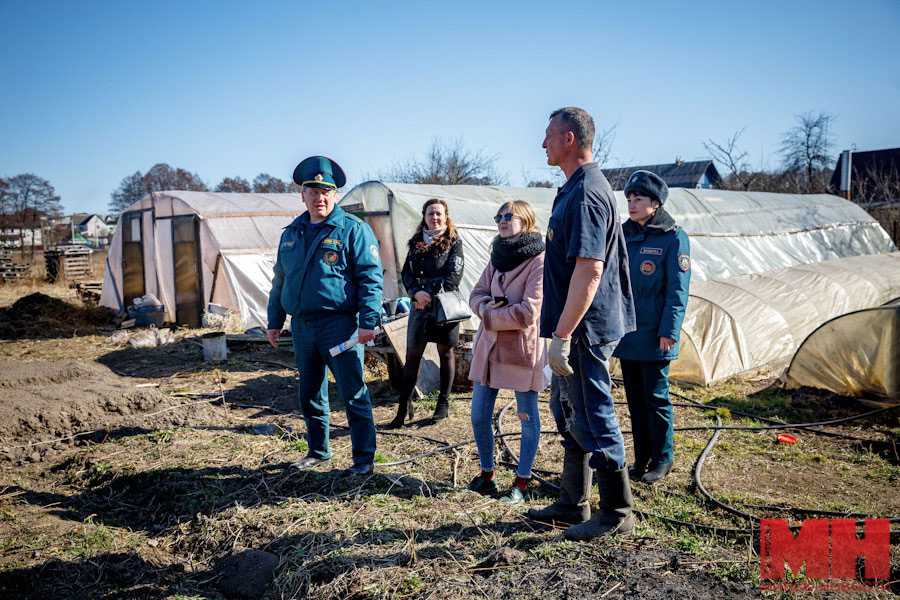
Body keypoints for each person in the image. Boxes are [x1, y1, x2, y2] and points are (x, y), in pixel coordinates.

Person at [526, 107, 637, 540]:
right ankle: (574, 502)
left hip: (584, 330)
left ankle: (616, 512)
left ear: (569, 138)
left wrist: (564, 336)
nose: (543, 143)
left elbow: (589, 271)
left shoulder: (589, 192)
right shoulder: (573, 188)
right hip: (572, 327)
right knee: (569, 410)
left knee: (594, 414)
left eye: (549, 135)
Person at [267, 156, 383, 476]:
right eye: (312, 191)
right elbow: (280, 280)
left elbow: (370, 278)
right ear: (302, 195)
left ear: (334, 195)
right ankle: (318, 451)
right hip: (302, 326)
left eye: (326, 191)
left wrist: (368, 322)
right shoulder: (291, 233)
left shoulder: (352, 230)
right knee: (310, 392)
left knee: (353, 393)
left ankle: (363, 460)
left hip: (340, 326)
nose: (319, 197)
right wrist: (274, 321)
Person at [466, 200, 547, 504]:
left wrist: (489, 314)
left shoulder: (539, 259)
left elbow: (529, 311)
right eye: (498, 216)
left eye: (508, 216)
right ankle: (487, 476)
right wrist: (489, 308)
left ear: (525, 220)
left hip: (520, 350)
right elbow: (476, 294)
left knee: (526, 416)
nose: (501, 220)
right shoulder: (497, 257)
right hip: (488, 349)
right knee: (478, 416)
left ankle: (522, 484)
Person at [614, 171, 690, 484]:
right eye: (629, 199)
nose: (631, 204)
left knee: (655, 398)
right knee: (633, 399)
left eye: (638, 199)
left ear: (655, 204)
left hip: (655, 333)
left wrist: (669, 331)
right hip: (627, 332)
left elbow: (677, 290)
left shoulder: (673, 237)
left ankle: (663, 458)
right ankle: (642, 456)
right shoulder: (622, 233)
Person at [388, 198, 464, 427]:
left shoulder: (454, 242)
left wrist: (431, 297)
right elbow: (406, 274)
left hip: (444, 304)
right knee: (412, 355)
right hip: (419, 304)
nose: (435, 218)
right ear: (424, 216)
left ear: (446, 216)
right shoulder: (415, 243)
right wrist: (415, 294)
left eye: (439, 214)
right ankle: (403, 407)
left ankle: (443, 403)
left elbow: (455, 275)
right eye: (431, 214)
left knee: (446, 353)